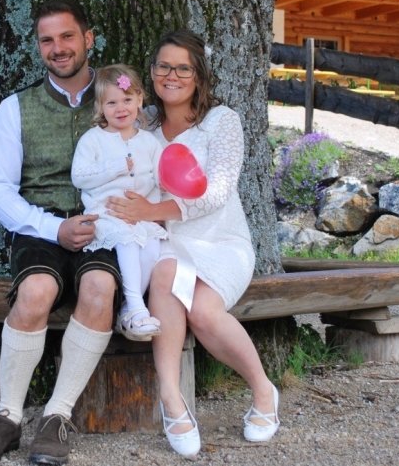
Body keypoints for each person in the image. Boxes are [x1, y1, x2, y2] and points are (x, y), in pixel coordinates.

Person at [0, 0, 121, 466]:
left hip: (104, 225)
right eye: (47, 40)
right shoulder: (16, 108)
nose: (58, 48)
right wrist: (54, 228)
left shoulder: (118, 99)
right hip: (40, 226)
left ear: (88, 39)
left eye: (67, 36)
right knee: (34, 294)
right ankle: (7, 417)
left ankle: (57, 415)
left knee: (99, 289)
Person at [106, 29, 280, 456]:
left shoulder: (221, 121)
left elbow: (217, 192)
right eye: (164, 66)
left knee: (203, 313)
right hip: (164, 241)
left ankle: (263, 391)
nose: (172, 75)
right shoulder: (140, 122)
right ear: (152, 72)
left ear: (198, 75)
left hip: (220, 241)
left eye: (183, 68)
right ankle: (171, 398)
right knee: (165, 272)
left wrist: (151, 209)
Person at [71, 64, 167, 342]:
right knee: (128, 241)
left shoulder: (149, 142)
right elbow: (79, 177)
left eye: (127, 99)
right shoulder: (93, 140)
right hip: (107, 215)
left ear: (139, 99)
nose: (121, 108)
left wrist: (160, 198)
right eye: (111, 103)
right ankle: (138, 308)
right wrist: (115, 167)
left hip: (141, 217)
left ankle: (127, 308)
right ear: (101, 108)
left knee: (152, 247)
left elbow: (160, 179)